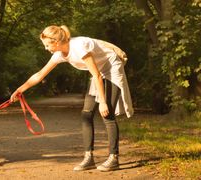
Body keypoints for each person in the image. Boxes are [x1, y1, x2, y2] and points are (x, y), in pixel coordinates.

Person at [10, 25, 134, 172]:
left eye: (47, 45)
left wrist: (102, 102)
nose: (46, 48)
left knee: (107, 113)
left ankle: (114, 158)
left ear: (56, 42)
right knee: (86, 114)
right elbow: (40, 74)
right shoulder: (59, 55)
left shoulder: (79, 46)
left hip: (111, 66)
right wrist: (20, 89)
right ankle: (89, 158)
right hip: (99, 71)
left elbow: (97, 76)